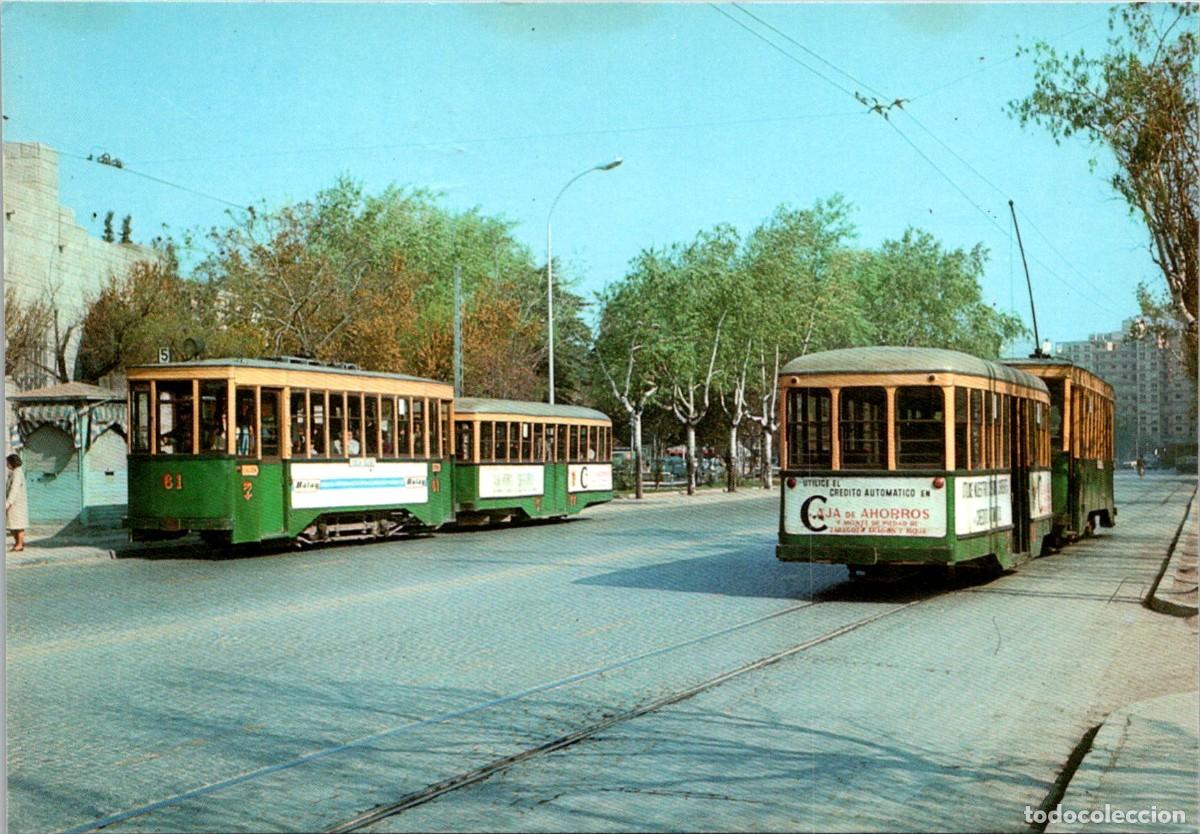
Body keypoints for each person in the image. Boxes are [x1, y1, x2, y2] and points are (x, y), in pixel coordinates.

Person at [6, 453, 28, 552]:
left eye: (8, 463)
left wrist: (8, 502)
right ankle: (18, 543)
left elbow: (14, 489)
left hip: (16, 504)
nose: (7, 465)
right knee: (12, 525)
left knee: (18, 525)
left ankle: (19, 545)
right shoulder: (14, 472)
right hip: (14, 504)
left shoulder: (17, 473)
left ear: (12, 463)